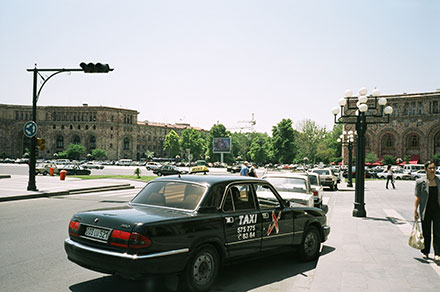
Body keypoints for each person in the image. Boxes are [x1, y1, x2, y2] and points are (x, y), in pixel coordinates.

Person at [414, 161, 440, 261]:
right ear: (425, 169)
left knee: (438, 232)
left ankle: (437, 253)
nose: (433, 170)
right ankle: (425, 252)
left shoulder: (439, 181)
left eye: (434, 168)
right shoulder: (420, 182)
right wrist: (415, 211)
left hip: (438, 210)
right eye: (430, 168)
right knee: (426, 232)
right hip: (426, 210)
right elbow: (418, 198)